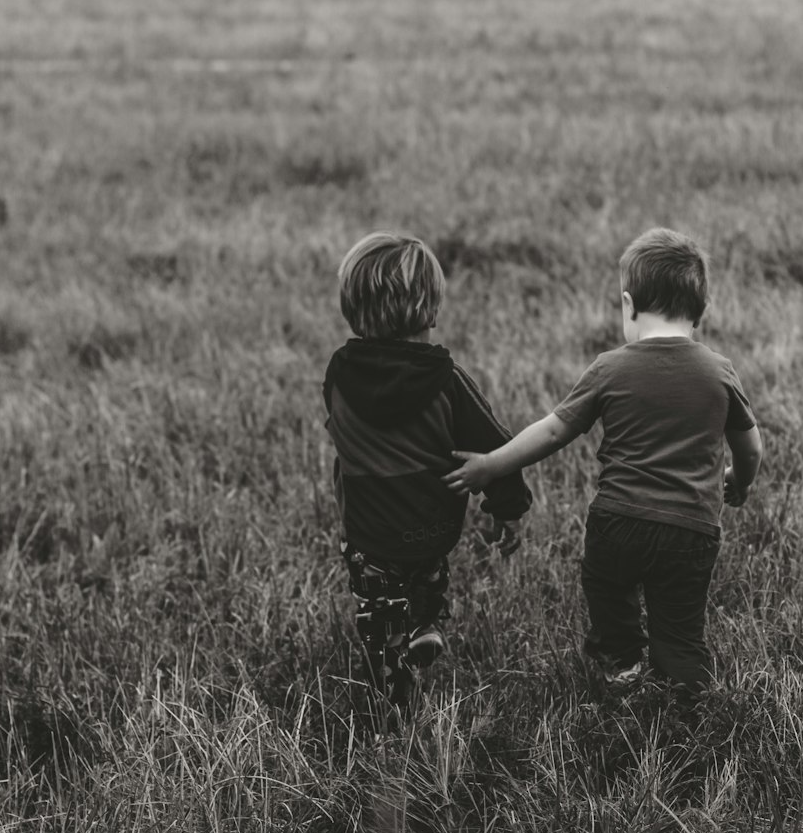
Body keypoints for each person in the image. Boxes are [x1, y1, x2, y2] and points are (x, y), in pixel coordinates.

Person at [444, 228, 761, 704]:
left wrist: (491, 464)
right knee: (679, 625)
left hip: (618, 522)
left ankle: (621, 664)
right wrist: (739, 480)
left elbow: (553, 431)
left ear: (630, 305)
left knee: (608, 591)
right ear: (703, 311)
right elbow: (751, 447)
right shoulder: (719, 371)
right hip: (690, 530)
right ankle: (686, 690)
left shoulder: (610, 367)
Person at [324, 232, 530, 710]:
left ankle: (392, 690)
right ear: (430, 310)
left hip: (369, 533)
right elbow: (496, 445)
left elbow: (337, 426)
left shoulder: (339, 373)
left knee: (380, 616)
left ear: (352, 309)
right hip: (431, 526)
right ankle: (425, 624)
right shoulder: (447, 381)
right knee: (426, 578)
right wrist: (508, 508)